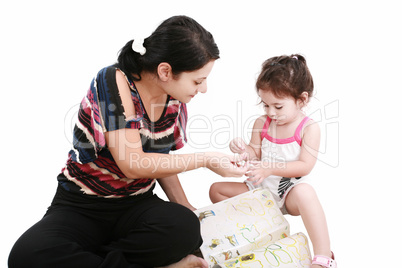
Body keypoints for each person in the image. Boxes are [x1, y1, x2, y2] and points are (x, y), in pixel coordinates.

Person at [8, 15, 247, 268]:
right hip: (82, 205)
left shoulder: (174, 95)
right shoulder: (111, 81)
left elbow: (160, 158)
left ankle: (93, 259)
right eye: (198, 80)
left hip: (136, 204)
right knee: (27, 256)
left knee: (184, 227)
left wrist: (185, 205)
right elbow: (132, 164)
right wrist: (205, 159)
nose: (204, 89)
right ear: (165, 71)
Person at [209, 54, 337, 268]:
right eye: (265, 105)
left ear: (302, 100)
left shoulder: (308, 128)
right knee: (216, 190)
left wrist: (270, 168)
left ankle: (324, 256)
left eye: (278, 107)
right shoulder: (262, 123)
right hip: (259, 192)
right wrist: (243, 150)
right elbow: (255, 153)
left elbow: (305, 165)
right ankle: (260, 232)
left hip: (288, 194)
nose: (270, 112)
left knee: (306, 193)